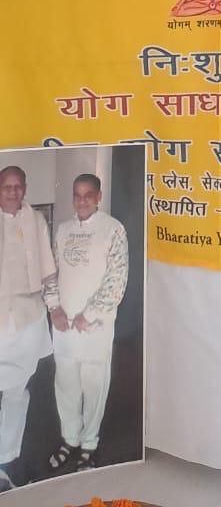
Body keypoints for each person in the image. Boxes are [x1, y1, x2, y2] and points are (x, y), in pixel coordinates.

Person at [46, 175, 128, 473]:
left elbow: (117, 281)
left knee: (94, 388)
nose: (82, 201)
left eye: (88, 195)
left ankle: (89, 444)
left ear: (99, 196)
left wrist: (89, 314)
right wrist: (54, 307)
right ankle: (70, 438)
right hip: (65, 327)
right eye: (77, 195)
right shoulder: (64, 230)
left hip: (94, 328)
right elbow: (51, 272)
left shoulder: (113, 229)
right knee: (66, 385)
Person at [0, 166, 55, 492]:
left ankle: (5, 461)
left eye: (18, 186)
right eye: (6, 186)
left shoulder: (36, 221)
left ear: (25, 189)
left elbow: (47, 270)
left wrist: (55, 307)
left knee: (17, 391)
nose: (12, 192)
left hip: (26, 317)